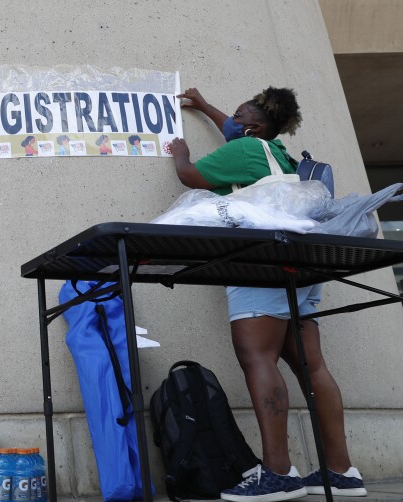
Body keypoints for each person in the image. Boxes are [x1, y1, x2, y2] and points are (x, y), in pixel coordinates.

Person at [168, 86, 367, 501]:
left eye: (238, 116)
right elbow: (233, 130)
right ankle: (342, 471)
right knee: (312, 367)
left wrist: (180, 152)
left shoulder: (244, 151)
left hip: (261, 263)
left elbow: (191, 177)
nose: (231, 121)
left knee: (256, 355)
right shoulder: (279, 155)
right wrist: (204, 105)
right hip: (304, 263)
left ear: (253, 126)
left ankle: (278, 473)